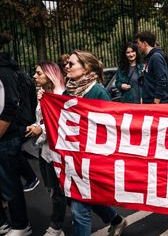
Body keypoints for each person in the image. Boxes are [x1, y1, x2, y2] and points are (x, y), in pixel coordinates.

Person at [63, 50, 127, 236]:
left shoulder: (98, 91)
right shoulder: (68, 91)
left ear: (86, 68)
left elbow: (111, 123)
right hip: (73, 155)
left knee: (79, 208)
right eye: (67, 63)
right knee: (78, 198)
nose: (66, 66)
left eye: (71, 64)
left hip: (92, 157)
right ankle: (116, 220)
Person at [25, 62, 67, 236]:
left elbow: (60, 125)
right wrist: (35, 126)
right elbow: (41, 119)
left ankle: (56, 227)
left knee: (60, 192)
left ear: (49, 75)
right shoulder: (42, 95)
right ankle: (114, 218)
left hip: (59, 153)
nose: (34, 76)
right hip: (44, 151)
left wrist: (40, 130)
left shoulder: (61, 96)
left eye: (38, 73)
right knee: (56, 191)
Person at [0, 32, 32, 236]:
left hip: (5, 139)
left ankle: (21, 226)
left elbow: (10, 108)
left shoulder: (4, 72)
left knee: (9, 185)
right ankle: (4, 223)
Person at [135, 31, 168, 104]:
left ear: (145, 43)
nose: (137, 46)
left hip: (156, 102)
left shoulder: (156, 57)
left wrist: (157, 99)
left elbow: (161, 79)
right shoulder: (149, 58)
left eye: (138, 43)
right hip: (149, 100)